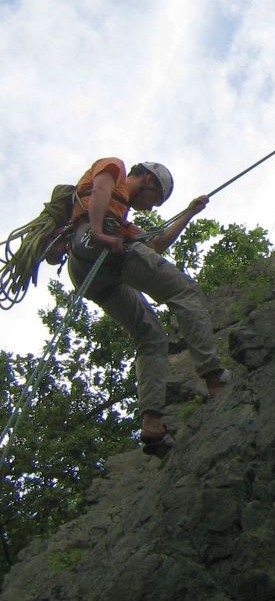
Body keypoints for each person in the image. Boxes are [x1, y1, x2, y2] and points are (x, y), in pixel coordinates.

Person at [67, 158, 230, 456]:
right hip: (98, 239)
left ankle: (153, 426)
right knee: (184, 291)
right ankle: (214, 377)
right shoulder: (113, 167)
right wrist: (100, 232)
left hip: (86, 270)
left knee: (151, 336)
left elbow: (159, 243)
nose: (153, 207)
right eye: (157, 198)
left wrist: (189, 212)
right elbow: (102, 190)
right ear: (149, 181)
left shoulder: (124, 220)